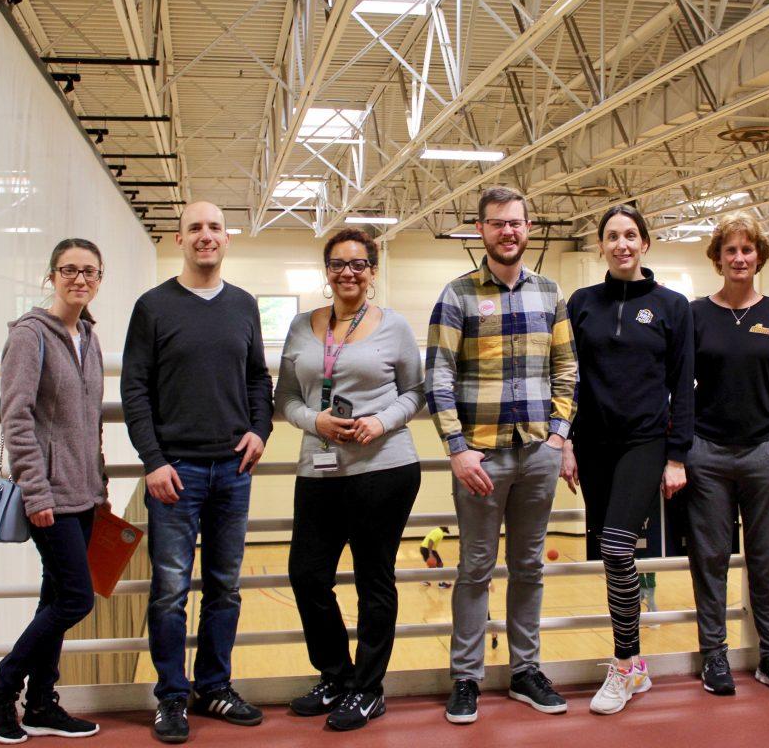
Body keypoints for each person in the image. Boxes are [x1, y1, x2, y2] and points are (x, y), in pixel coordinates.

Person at [122, 201, 273, 743]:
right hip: (176, 473)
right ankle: (171, 697)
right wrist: (154, 461)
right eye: (194, 229)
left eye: (214, 228)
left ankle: (214, 686)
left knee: (225, 589)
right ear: (179, 239)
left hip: (233, 469)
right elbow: (134, 390)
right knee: (168, 591)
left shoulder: (244, 305)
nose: (205, 237)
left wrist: (261, 430)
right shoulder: (153, 306)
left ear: (226, 239)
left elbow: (259, 379)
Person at [426, 185, 577, 724]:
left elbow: (566, 370)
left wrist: (559, 437)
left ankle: (525, 671)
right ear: (481, 230)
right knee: (474, 568)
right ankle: (466, 677)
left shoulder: (550, 293)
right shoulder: (457, 294)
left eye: (515, 222)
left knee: (529, 567)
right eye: (496, 224)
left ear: (528, 228)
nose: (507, 232)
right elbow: (438, 376)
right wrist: (457, 449)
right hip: (480, 459)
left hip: (538, 452)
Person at [276, 228, 425, 731]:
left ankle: (367, 690)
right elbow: (286, 399)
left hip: (383, 468)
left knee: (373, 580)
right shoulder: (302, 326)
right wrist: (313, 421)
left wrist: (380, 421)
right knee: (308, 575)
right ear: (326, 271)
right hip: (318, 470)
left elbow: (415, 393)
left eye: (358, 264)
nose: (348, 272)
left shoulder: (395, 327)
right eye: (338, 263)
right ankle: (336, 676)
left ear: (372, 272)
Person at [0, 238, 108, 743]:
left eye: (89, 272)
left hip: (85, 492)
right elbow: (17, 416)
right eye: (69, 270)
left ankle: (42, 703)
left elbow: (89, 421)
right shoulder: (31, 336)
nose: (79, 279)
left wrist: (101, 484)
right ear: (50, 276)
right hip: (48, 495)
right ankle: (1, 685)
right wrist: (36, 492)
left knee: (54, 595)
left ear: (99, 280)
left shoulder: (89, 337)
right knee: (75, 599)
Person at [562, 204, 693, 715]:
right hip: (593, 443)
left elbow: (683, 384)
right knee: (612, 558)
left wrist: (677, 454)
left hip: (645, 441)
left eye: (631, 235)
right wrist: (567, 441)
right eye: (612, 236)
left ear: (645, 244)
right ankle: (634, 662)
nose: (621, 244)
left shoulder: (671, 305)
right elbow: (567, 374)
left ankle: (623, 666)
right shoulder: (582, 303)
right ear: (600, 245)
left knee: (618, 547)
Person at [686, 213, 769, 698]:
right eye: (730, 251)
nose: (739, 258)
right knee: (710, 557)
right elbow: (679, 384)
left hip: (765, 453)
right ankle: (714, 655)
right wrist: (686, 445)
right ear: (717, 258)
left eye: (747, 250)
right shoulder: (696, 314)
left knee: (765, 560)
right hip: (707, 455)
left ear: (759, 257)